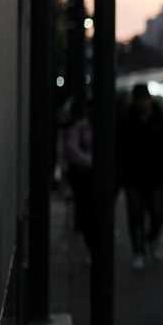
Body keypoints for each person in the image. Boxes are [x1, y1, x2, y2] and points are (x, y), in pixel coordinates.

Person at [118, 84, 163, 269]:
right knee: (136, 215)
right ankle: (139, 250)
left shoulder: (161, 120)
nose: (142, 103)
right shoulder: (127, 120)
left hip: (155, 176)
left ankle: (150, 241)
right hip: (135, 176)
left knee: (157, 213)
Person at [63, 100, 94, 254]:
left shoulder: (80, 127)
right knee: (85, 209)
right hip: (83, 176)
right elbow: (72, 150)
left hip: (88, 173)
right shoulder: (79, 127)